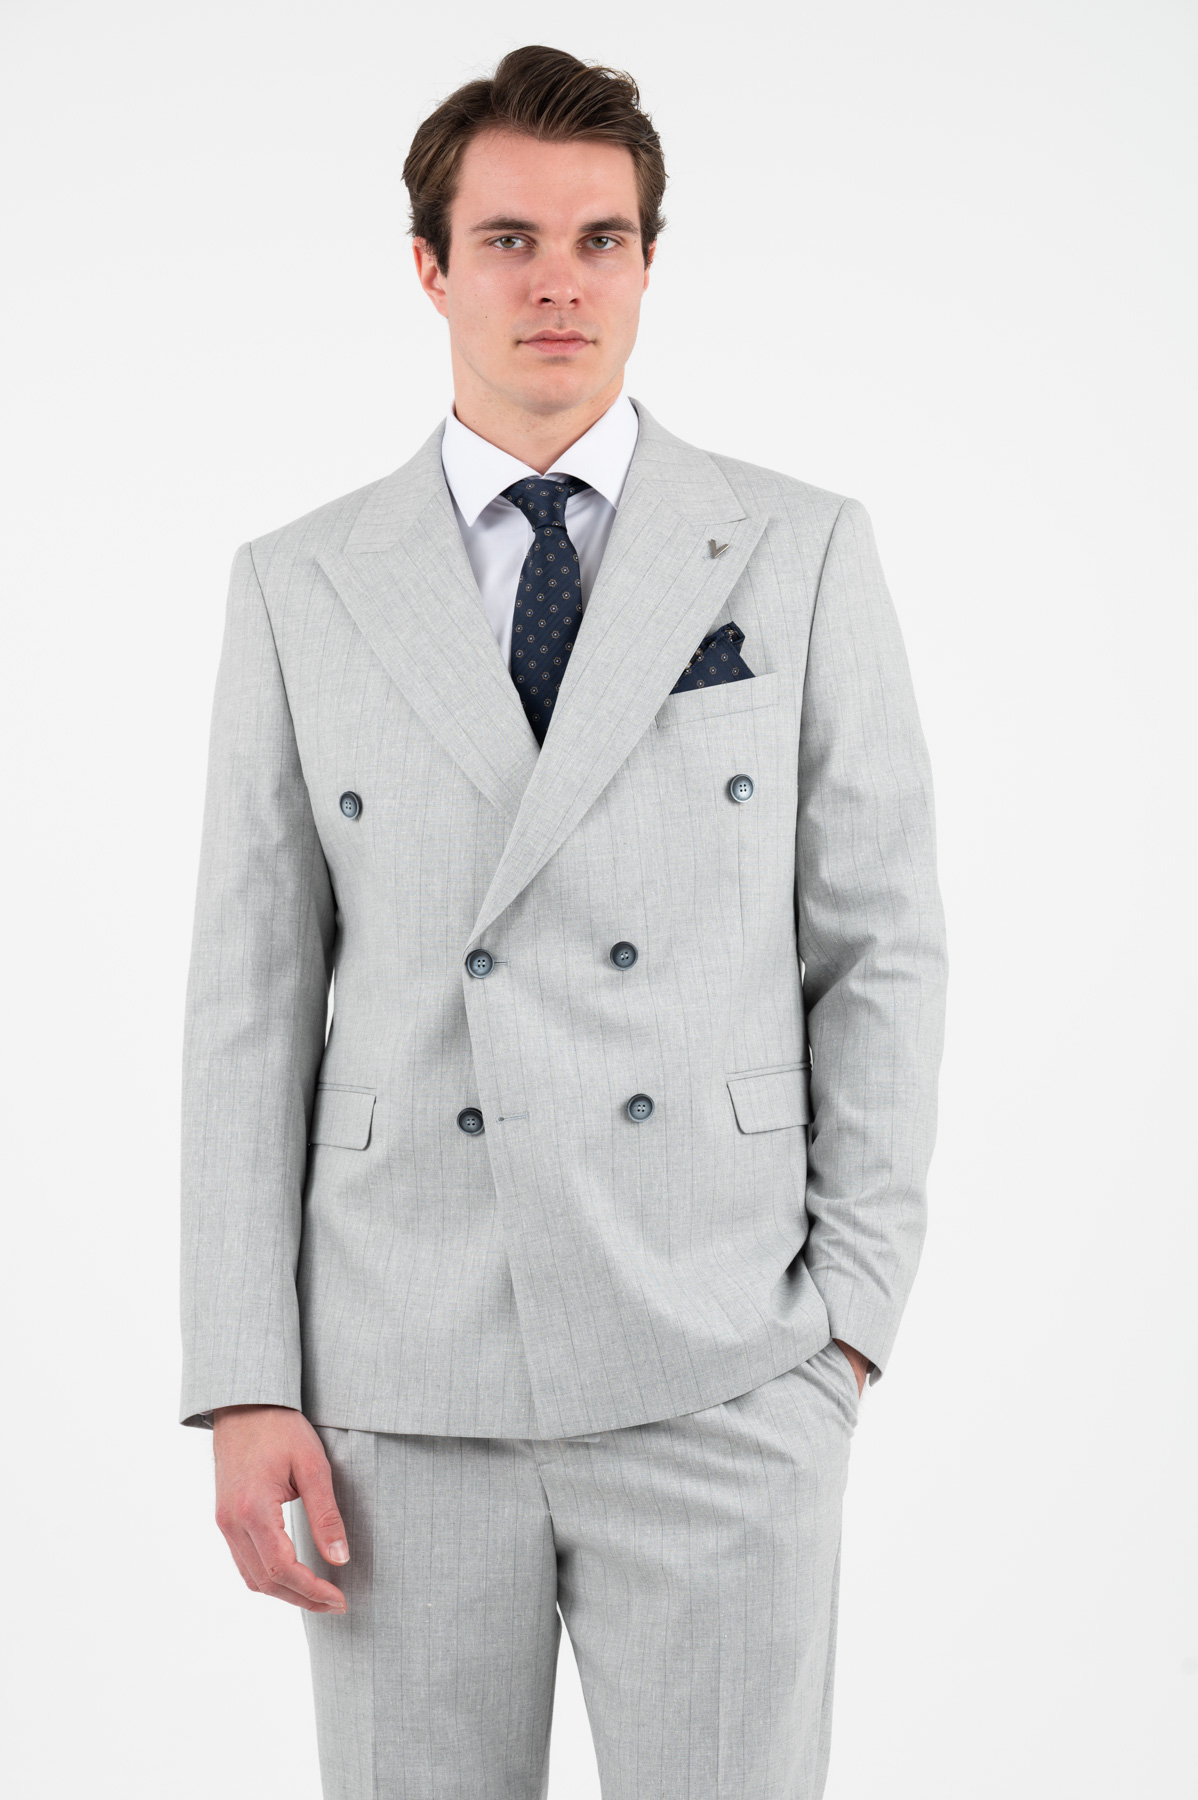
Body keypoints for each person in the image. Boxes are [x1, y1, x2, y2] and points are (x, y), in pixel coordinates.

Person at [180, 43, 947, 1799]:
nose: (558, 282)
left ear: (649, 262)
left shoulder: (795, 549)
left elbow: (881, 949)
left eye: (602, 239)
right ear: (430, 266)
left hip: (722, 1357)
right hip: (398, 1380)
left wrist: (842, 1323)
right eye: (509, 238)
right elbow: (247, 998)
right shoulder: (299, 583)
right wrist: (243, 1379)